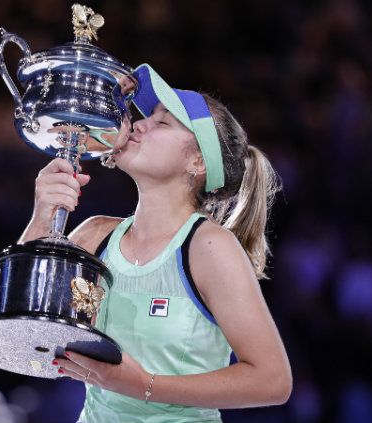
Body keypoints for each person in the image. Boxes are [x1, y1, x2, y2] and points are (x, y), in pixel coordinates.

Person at [18, 64, 292, 422]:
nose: (139, 124)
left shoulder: (210, 247)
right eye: (145, 117)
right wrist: (42, 214)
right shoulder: (94, 233)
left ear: (197, 161)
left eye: (162, 123)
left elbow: (273, 380)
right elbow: (17, 327)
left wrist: (144, 385)